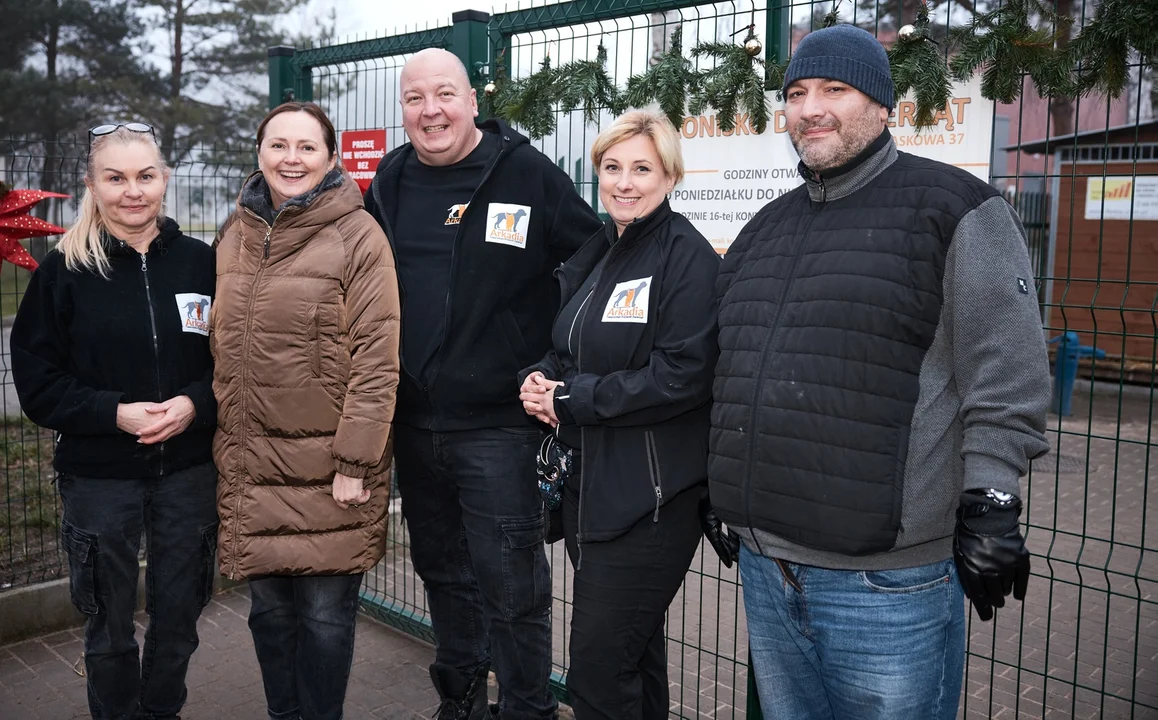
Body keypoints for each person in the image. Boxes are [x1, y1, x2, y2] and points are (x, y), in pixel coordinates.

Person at [708, 24, 1052, 720]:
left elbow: (1005, 372)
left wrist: (992, 501)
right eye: (797, 92)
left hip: (885, 587)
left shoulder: (957, 210)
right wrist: (720, 487)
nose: (810, 108)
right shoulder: (763, 230)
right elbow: (735, 370)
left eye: (835, 88)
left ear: (885, 104)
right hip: (766, 573)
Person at [363, 48, 603, 720]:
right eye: (415, 98)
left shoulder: (525, 174)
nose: (431, 110)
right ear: (403, 110)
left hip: (500, 426)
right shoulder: (390, 179)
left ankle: (527, 709)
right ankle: (462, 702)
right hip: (414, 423)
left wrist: (553, 360)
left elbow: (592, 258)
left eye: (444, 94)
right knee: (441, 574)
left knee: (511, 585)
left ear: (473, 101)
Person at [11, 123, 218, 719]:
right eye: (116, 178)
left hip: (188, 472)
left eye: (145, 176)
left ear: (165, 180)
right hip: (100, 477)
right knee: (109, 630)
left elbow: (234, 363)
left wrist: (193, 405)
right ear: (92, 186)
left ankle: (160, 712)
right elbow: (38, 383)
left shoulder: (202, 264)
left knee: (179, 617)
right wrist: (113, 413)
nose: (134, 191)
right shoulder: (63, 273)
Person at [517, 110, 718, 720]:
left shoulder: (687, 258)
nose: (624, 182)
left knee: (599, 677)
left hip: (650, 502)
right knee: (636, 659)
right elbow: (571, 341)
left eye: (641, 168)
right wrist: (540, 378)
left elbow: (682, 375)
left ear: (669, 177)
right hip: (590, 490)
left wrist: (572, 399)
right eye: (611, 168)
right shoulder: (603, 248)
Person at [212, 102, 400, 720]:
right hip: (252, 463)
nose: (291, 159)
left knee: (323, 618)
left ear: (330, 157)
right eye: (279, 145)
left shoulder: (357, 234)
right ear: (260, 151)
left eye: (307, 147)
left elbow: (378, 356)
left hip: (330, 467)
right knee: (269, 615)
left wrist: (354, 461)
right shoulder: (234, 234)